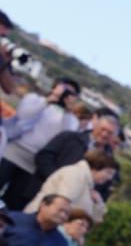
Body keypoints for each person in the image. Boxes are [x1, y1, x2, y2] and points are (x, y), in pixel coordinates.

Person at [0, 78, 82, 210]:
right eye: (64, 89)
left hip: (33, 165)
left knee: (11, 203)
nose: (66, 94)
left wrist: (67, 111)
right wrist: (48, 100)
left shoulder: (71, 119)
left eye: (71, 94)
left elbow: (65, 137)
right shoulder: (34, 99)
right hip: (11, 153)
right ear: (55, 87)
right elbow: (24, 114)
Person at [30, 108, 121, 203]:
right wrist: (60, 180)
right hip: (43, 192)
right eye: (103, 129)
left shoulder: (111, 163)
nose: (104, 134)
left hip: (72, 206)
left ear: (114, 137)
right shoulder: (69, 137)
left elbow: (105, 190)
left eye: (110, 133)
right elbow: (43, 157)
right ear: (95, 126)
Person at [25, 148, 114, 223]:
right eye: (108, 172)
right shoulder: (75, 174)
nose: (109, 178)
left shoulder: (87, 184)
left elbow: (93, 219)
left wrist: (99, 203)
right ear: (97, 166)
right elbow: (61, 207)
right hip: (37, 224)